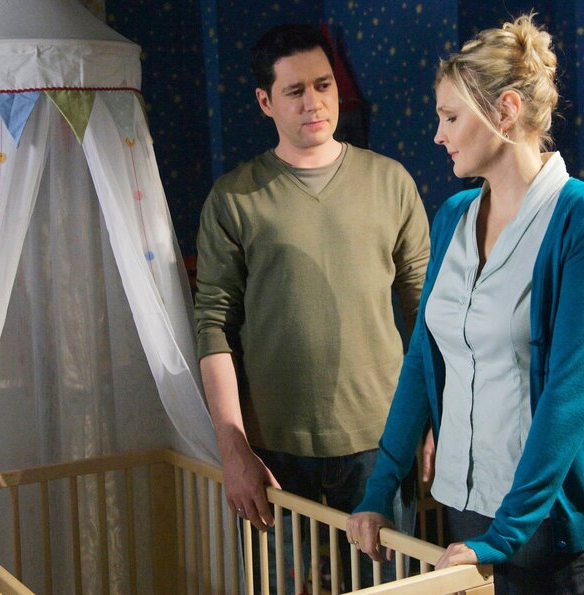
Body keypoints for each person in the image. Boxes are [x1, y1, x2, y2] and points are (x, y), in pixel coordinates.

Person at [346, 13, 584, 595]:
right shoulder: (452, 216)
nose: (438, 134)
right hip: (467, 499)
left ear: (506, 111)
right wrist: (379, 491)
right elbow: (423, 361)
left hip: (551, 513)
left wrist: (506, 534)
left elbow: (571, 390)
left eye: (450, 117)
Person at [194, 23, 430, 590]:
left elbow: (428, 313)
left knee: (390, 586)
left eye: (323, 85)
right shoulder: (235, 197)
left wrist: (433, 418)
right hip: (274, 449)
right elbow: (214, 325)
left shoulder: (390, 182)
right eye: (295, 91)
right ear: (265, 102)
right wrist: (233, 447)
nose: (314, 103)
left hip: (382, 439)